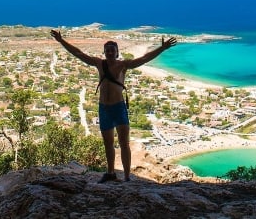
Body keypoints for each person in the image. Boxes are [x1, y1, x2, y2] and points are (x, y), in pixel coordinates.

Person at [50, 29, 177, 182]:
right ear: (104, 52)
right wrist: (61, 41)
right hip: (104, 108)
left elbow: (144, 59)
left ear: (117, 53)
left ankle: (127, 177)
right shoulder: (99, 63)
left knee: (124, 143)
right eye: (107, 50)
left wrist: (161, 48)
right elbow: (79, 54)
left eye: (112, 50)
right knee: (108, 143)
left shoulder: (123, 65)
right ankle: (110, 173)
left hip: (118, 107)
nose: (110, 52)